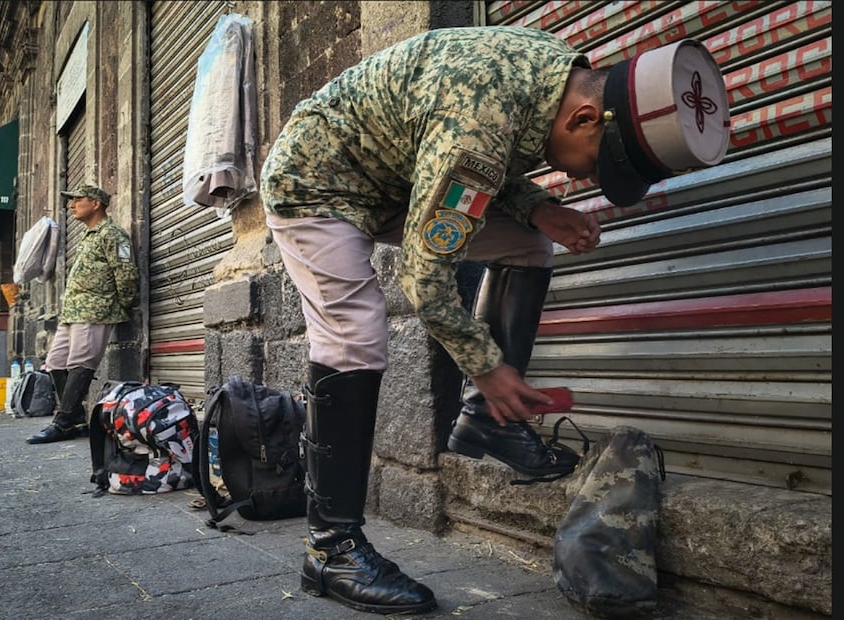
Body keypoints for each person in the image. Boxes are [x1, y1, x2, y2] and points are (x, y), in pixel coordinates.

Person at [260, 27, 729, 615]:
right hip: (317, 183)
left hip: (396, 178)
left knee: (531, 246)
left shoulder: (552, 80)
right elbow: (425, 281)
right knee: (355, 332)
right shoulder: (478, 124)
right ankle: (330, 549)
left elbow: (474, 158)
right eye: (597, 164)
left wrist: (537, 208)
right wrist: (487, 366)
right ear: (586, 118)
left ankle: (487, 425)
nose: (587, 179)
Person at [26, 183, 140, 444]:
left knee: (80, 363)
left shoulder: (112, 234)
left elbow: (126, 272)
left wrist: (121, 304)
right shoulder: (90, 235)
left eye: (77, 200)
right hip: (73, 313)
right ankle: (76, 417)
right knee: (54, 363)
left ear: (95, 204)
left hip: (95, 311)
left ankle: (63, 422)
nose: (71, 205)